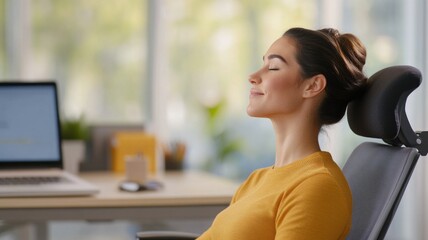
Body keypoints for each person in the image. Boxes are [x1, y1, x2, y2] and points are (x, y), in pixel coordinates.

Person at [197, 27, 368, 240]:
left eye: (274, 67)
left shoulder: (318, 186)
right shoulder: (256, 180)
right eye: (263, 64)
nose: (253, 76)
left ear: (313, 85)